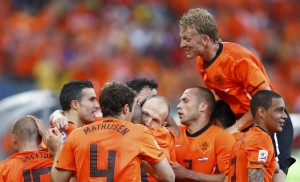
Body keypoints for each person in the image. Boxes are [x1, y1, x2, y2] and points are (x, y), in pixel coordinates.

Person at [178, 8, 295, 179]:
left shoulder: (237, 59)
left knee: (274, 173)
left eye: (187, 39)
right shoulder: (202, 62)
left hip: (269, 123)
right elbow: (224, 99)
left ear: (205, 40)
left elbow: (267, 100)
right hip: (245, 125)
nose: (182, 44)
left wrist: (234, 128)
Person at [51, 81, 175, 182]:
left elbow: (57, 180)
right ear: (126, 109)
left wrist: (58, 150)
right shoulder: (140, 133)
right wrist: (141, 159)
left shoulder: (76, 135)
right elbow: (169, 177)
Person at [171, 86, 235, 181]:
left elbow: (228, 179)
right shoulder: (172, 134)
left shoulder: (222, 137)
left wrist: (188, 174)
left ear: (203, 106)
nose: (179, 105)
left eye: (185, 101)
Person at [226, 90, 287, 182]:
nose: (285, 116)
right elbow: (255, 179)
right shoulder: (261, 139)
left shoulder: (242, 139)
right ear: (261, 112)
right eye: (279, 110)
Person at [0, 116, 54, 181]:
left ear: (14, 138)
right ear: (40, 138)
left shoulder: (3, 169)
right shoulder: (56, 160)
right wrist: (44, 132)